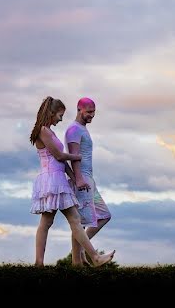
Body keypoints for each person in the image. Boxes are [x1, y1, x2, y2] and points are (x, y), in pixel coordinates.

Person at [30, 96, 114, 267]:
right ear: (52, 112)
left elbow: (61, 161)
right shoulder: (43, 131)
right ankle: (93, 257)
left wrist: (75, 178)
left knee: (59, 221)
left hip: (59, 178)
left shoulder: (49, 131)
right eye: (60, 115)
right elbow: (59, 156)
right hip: (51, 180)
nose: (61, 119)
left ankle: (44, 263)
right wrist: (76, 157)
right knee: (55, 222)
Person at [66, 97, 114, 266]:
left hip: (88, 179)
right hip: (82, 180)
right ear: (79, 109)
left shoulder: (82, 129)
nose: (92, 115)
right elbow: (74, 157)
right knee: (79, 222)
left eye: (94, 112)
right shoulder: (73, 130)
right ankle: (78, 260)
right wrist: (79, 179)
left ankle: (77, 255)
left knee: (104, 215)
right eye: (89, 112)